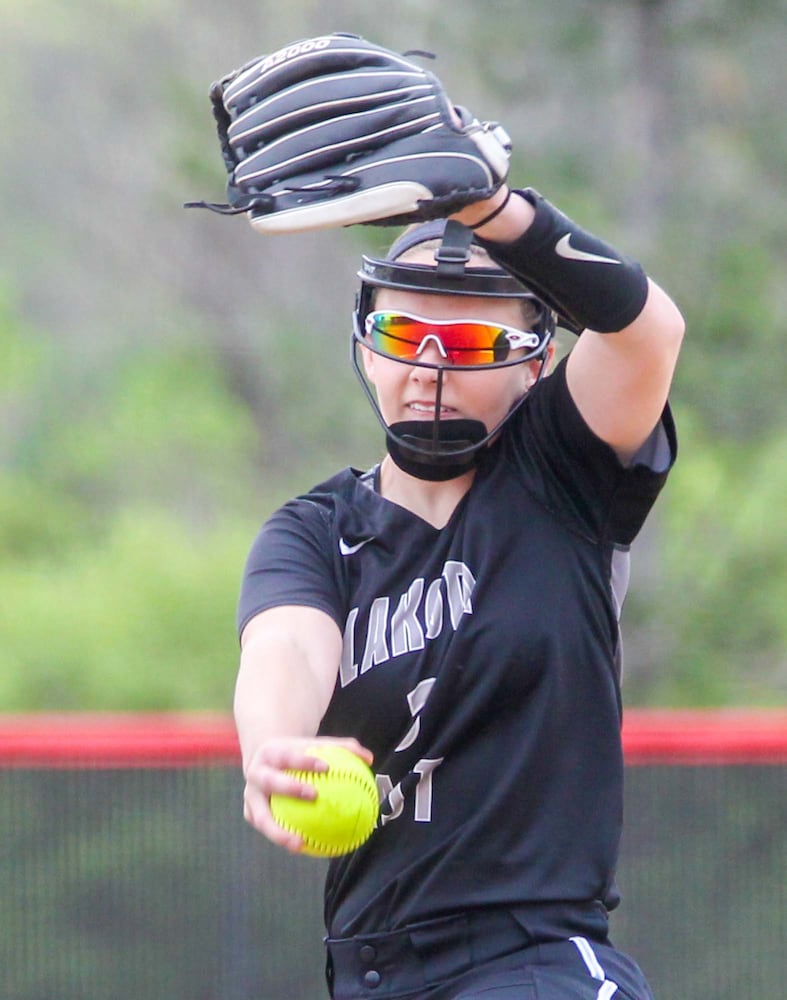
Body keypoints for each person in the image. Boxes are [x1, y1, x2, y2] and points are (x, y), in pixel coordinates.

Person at [230, 62, 685, 1000]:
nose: (430, 368)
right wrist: (275, 744)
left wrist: (495, 209)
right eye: (404, 335)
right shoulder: (317, 530)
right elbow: (283, 651)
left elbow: (647, 333)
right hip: (368, 971)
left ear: (534, 360)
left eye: (473, 344)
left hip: (535, 959)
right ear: (364, 341)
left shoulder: (564, 476)